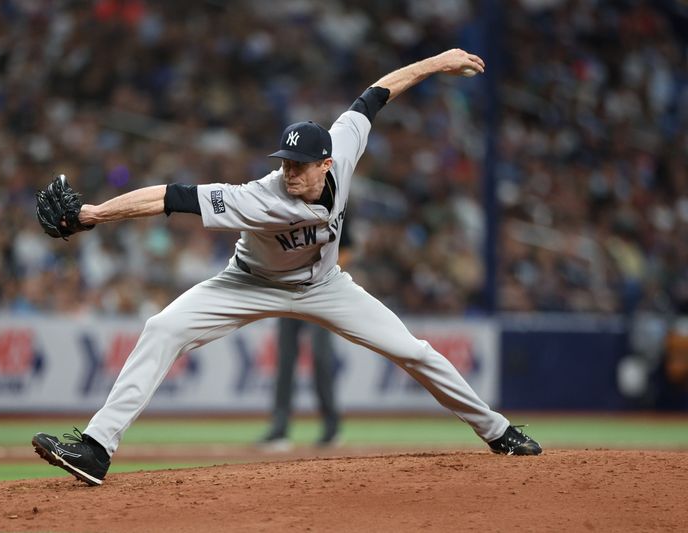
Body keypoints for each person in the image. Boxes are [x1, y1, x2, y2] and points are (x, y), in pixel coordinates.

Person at [32, 48, 542, 487]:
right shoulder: (260, 198)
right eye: (284, 162)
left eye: (299, 164)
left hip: (326, 286)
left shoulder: (341, 149)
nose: (288, 171)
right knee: (162, 328)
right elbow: (171, 196)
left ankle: (499, 432)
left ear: (325, 164)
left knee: (415, 351)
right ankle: (97, 448)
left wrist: (437, 63)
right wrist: (94, 213)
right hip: (248, 283)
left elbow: (377, 93)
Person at [259, 220, 352, 450]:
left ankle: (331, 429)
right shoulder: (284, 207)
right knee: (285, 360)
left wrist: (324, 272)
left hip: (321, 292)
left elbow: (347, 248)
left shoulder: (332, 202)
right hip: (288, 290)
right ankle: (280, 429)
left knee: (321, 357)